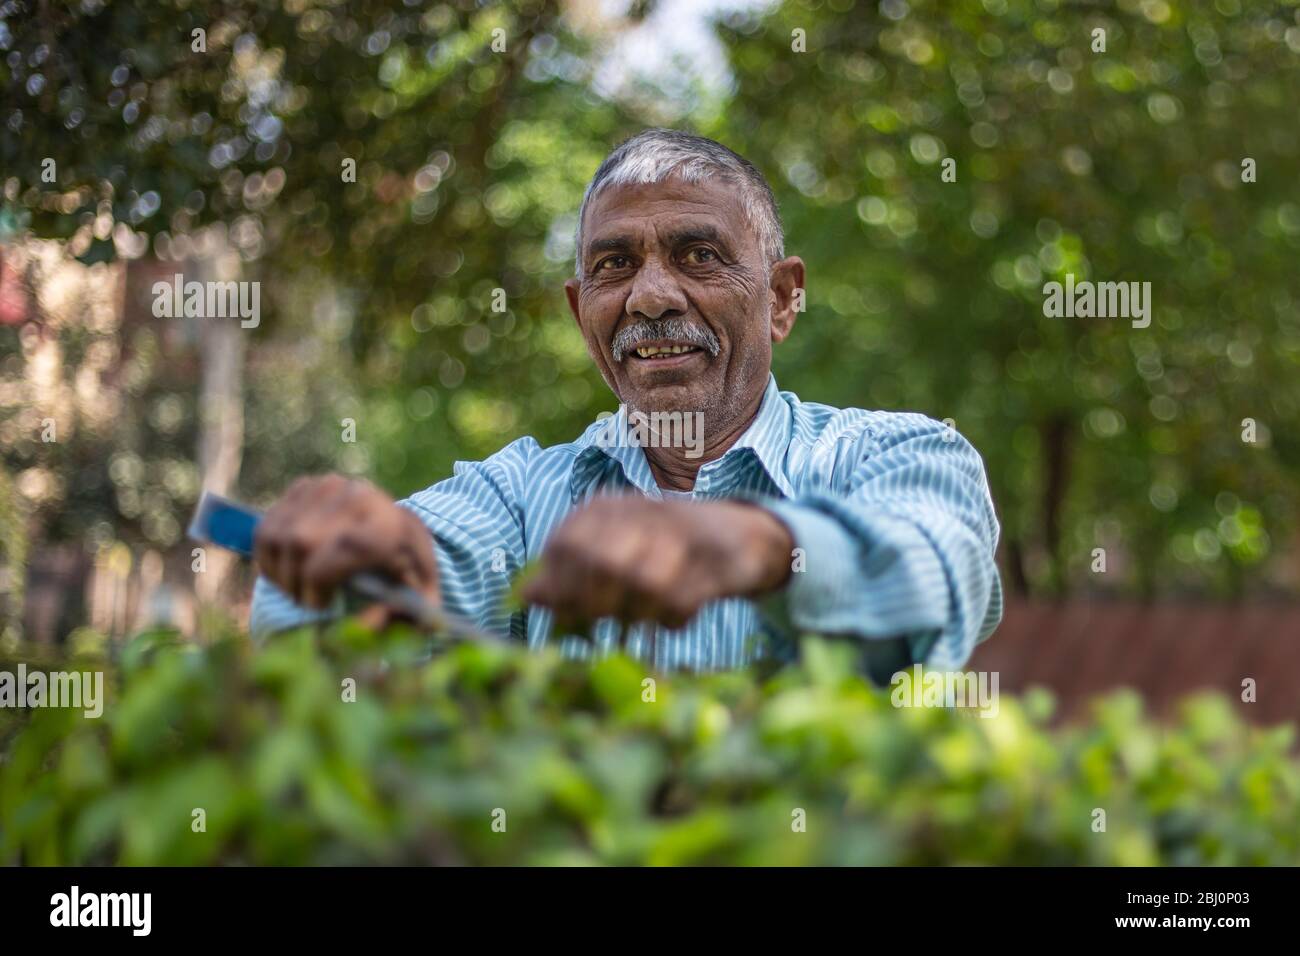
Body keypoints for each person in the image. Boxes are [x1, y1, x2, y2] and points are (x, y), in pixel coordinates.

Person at [250, 128, 1003, 679]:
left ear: (780, 298)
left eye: (697, 255)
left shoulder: (894, 455)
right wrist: (360, 566)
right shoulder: (522, 501)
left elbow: (935, 567)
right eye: (615, 265)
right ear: (583, 314)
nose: (649, 296)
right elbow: (311, 620)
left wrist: (756, 547)